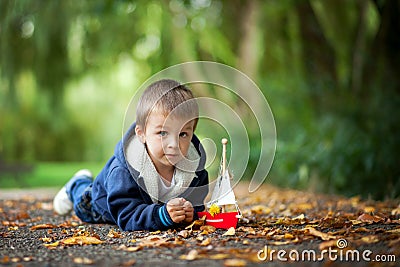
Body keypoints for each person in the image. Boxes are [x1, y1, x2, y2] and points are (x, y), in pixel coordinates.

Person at [53, 79, 209, 231]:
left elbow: (196, 202)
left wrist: (191, 213)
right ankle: (75, 185)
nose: (173, 144)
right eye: (162, 133)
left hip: (144, 208)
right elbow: (126, 214)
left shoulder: (194, 169)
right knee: (84, 198)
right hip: (100, 204)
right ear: (142, 134)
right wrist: (160, 215)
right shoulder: (124, 170)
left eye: (183, 134)